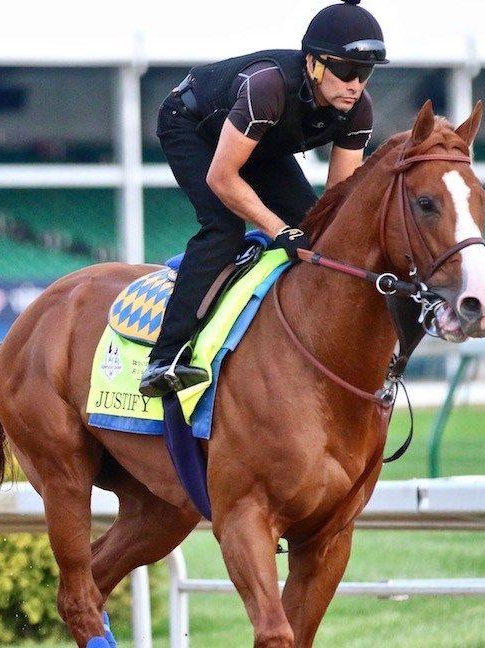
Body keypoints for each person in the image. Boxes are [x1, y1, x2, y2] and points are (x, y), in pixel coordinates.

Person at [138, 0, 389, 397]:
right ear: (312, 64)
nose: (355, 83)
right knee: (223, 228)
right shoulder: (268, 85)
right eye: (344, 69)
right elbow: (221, 177)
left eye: (365, 73)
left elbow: (338, 201)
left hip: (259, 141)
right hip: (191, 125)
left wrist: (312, 233)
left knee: (321, 233)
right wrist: (277, 229)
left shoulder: (359, 111)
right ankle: (164, 358)